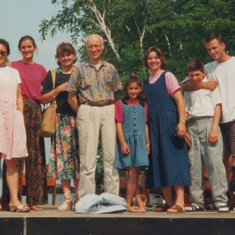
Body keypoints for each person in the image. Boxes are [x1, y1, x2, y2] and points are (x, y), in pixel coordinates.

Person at [181, 33, 234, 210]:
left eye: (215, 48)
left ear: (223, 45)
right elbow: (185, 88)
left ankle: (221, 198)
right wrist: (202, 84)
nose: (212, 51)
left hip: (224, 119)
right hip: (202, 123)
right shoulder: (207, 70)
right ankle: (204, 200)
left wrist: (212, 127)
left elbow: (216, 105)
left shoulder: (230, 66)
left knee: (218, 162)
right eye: (209, 49)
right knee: (204, 162)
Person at [66, 34, 122, 198]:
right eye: (91, 46)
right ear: (86, 48)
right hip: (87, 109)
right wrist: (83, 113)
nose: (94, 49)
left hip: (108, 109)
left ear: (102, 47)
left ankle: (112, 197)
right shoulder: (79, 68)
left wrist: (108, 108)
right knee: (87, 157)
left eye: (97, 46)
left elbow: (116, 92)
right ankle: (86, 198)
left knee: (110, 155)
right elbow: (71, 97)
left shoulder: (111, 68)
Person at [142, 46, 191, 213]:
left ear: (161, 59)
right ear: (146, 62)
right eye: (150, 58)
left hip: (169, 122)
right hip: (153, 125)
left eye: (156, 57)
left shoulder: (168, 76)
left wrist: (182, 122)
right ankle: (169, 202)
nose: (153, 61)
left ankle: (180, 203)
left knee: (175, 162)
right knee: (158, 162)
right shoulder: (144, 83)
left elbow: (180, 100)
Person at [41, 42, 80, 212]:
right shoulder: (52, 74)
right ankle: (66, 198)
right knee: (63, 160)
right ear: (58, 58)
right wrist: (58, 90)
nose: (65, 58)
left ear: (73, 56)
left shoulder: (81, 72)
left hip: (79, 119)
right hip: (60, 119)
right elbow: (42, 99)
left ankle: (79, 197)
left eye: (68, 54)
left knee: (79, 159)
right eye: (62, 55)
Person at [11, 35, 48, 211]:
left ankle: (33, 200)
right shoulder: (12, 66)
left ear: (34, 48)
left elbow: (47, 93)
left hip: (35, 109)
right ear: (20, 49)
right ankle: (11, 198)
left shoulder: (41, 69)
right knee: (14, 153)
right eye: (23, 47)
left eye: (29, 47)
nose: (27, 50)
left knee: (34, 155)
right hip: (16, 108)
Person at [0, 39, 30, 212]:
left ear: (8, 54)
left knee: (12, 161)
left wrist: (19, 115)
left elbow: (19, 96)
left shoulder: (14, 72)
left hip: (11, 118)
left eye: (2, 52)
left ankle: (14, 200)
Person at [114, 74, 150, 213]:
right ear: (126, 89)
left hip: (140, 141)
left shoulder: (144, 104)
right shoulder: (120, 103)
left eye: (136, 88)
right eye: (130, 89)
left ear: (140, 88)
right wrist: (122, 142)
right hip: (128, 141)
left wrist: (148, 141)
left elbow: (145, 124)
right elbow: (119, 124)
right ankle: (129, 204)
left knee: (135, 175)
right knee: (132, 174)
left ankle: (139, 203)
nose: (133, 91)